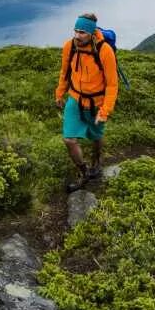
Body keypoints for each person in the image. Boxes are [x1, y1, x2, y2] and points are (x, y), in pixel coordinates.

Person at [55, 13, 119, 193]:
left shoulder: (104, 50)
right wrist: (60, 93)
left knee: (96, 136)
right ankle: (84, 173)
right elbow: (64, 72)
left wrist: (105, 110)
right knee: (69, 139)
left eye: (82, 32)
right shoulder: (70, 47)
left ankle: (97, 161)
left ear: (91, 33)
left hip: (96, 103)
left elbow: (112, 84)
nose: (77, 35)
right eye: (75, 30)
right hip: (75, 98)